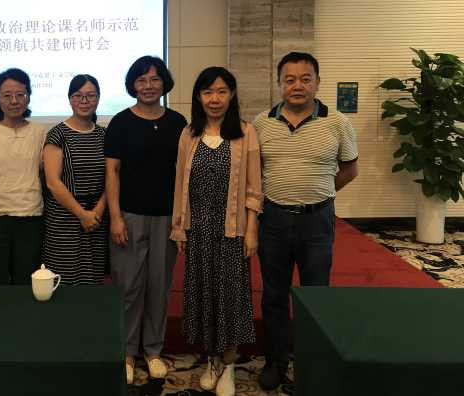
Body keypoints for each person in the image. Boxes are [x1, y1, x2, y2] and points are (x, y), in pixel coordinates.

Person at [253, 51, 358, 390]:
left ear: (317, 82)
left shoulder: (337, 122)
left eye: (305, 79)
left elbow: (350, 169)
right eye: (290, 79)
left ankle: (312, 361)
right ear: (279, 83)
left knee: (315, 294)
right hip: (274, 220)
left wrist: (321, 193)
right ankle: (276, 360)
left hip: (317, 222)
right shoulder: (261, 123)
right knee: (273, 294)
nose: (297, 86)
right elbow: (254, 173)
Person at [171, 67, 262, 395]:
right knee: (204, 295)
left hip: (231, 230)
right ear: (198, 96)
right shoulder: (189, 134)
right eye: (208, 91)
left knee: (231, 297)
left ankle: (230, 363)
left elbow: (254, 187)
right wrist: (180, 228)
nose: (214, 98)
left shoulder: (245, 132)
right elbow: (180, 184)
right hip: (198, 230)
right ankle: (211, 358)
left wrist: (251, 230)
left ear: (232, 95)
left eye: (222, 91)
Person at [105, 55, 187, 384]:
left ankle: (153, 351)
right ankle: (126, 352)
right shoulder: (121, 122)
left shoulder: (178, 122)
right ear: (132, 85)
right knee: (128, 287)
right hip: (129, 215)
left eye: (154, 79)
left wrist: (181, 219)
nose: (148, 86)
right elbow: (112, 172)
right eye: (141, 80)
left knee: (158, 287)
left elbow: (184, 174)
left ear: (164, 82)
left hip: (166, 217)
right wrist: (115, 217)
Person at [0, 68, 46, 285]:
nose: (14, 101)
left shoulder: (39, 132)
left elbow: (42, 171)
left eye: (20, 94)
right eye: (7, 95)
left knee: (27, 283)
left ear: (28, 96)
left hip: (29, 215)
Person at [42, 74, 107, 285]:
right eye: (78, 96)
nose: (84, 101)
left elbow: (112, 178)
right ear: (70, 99)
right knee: (64, 281)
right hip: (65, 219)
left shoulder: (104, 135)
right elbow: (53, 182)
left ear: (98, 98)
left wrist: (97, 212)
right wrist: (82, 214)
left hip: (96, 219)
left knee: (93, 280)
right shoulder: (57, 134)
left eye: (91, 96)